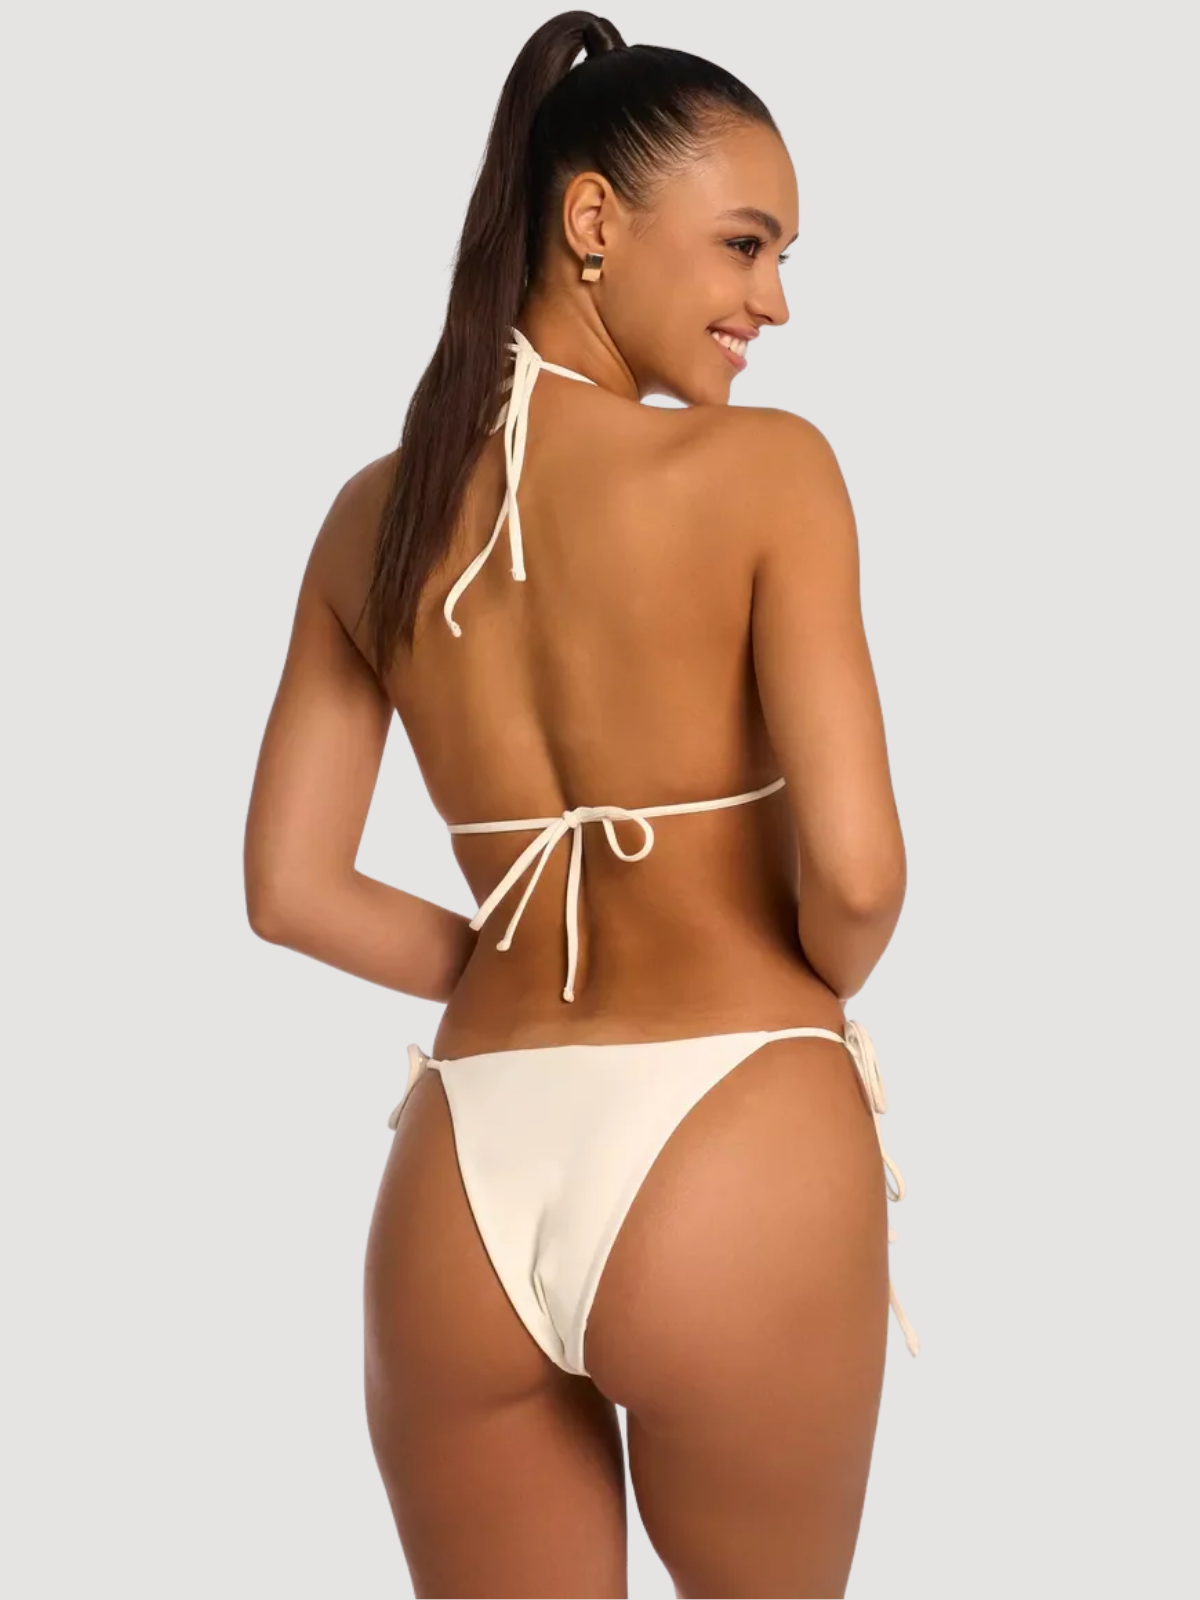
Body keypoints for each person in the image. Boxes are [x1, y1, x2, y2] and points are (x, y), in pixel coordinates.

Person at [244, 10, 918, 1595]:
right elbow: (861, 877)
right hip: (736, 1124)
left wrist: (500, 960)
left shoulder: (373, 518)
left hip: (462, 1173)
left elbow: (290, 890)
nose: (775, 300)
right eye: (747, 243)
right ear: (594, 220)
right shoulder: (768, 473)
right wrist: (805, 981)